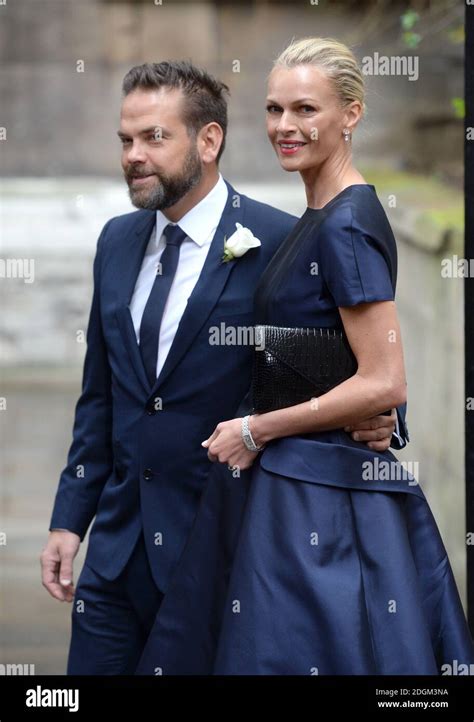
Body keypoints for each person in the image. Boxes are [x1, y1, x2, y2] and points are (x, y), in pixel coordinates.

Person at [39, 60, 399, 675]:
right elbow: (100, 395)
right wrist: (70, 520)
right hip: (113, 560)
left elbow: (359, 367)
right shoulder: (115, 242)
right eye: (126, 140)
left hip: (221, 551)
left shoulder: (283, 242)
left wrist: (383, 417)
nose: (133, 155)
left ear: (208, 141)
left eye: (154, 138)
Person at [136, 38, 474, 675]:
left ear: (351, 113)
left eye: (305, 110)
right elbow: (341, 359)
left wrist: (253, 429)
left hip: (320, 498)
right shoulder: (320, 213)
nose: (285, 127)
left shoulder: (346, 224)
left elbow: (385, 379)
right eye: (273, 109)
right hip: (297, 483)